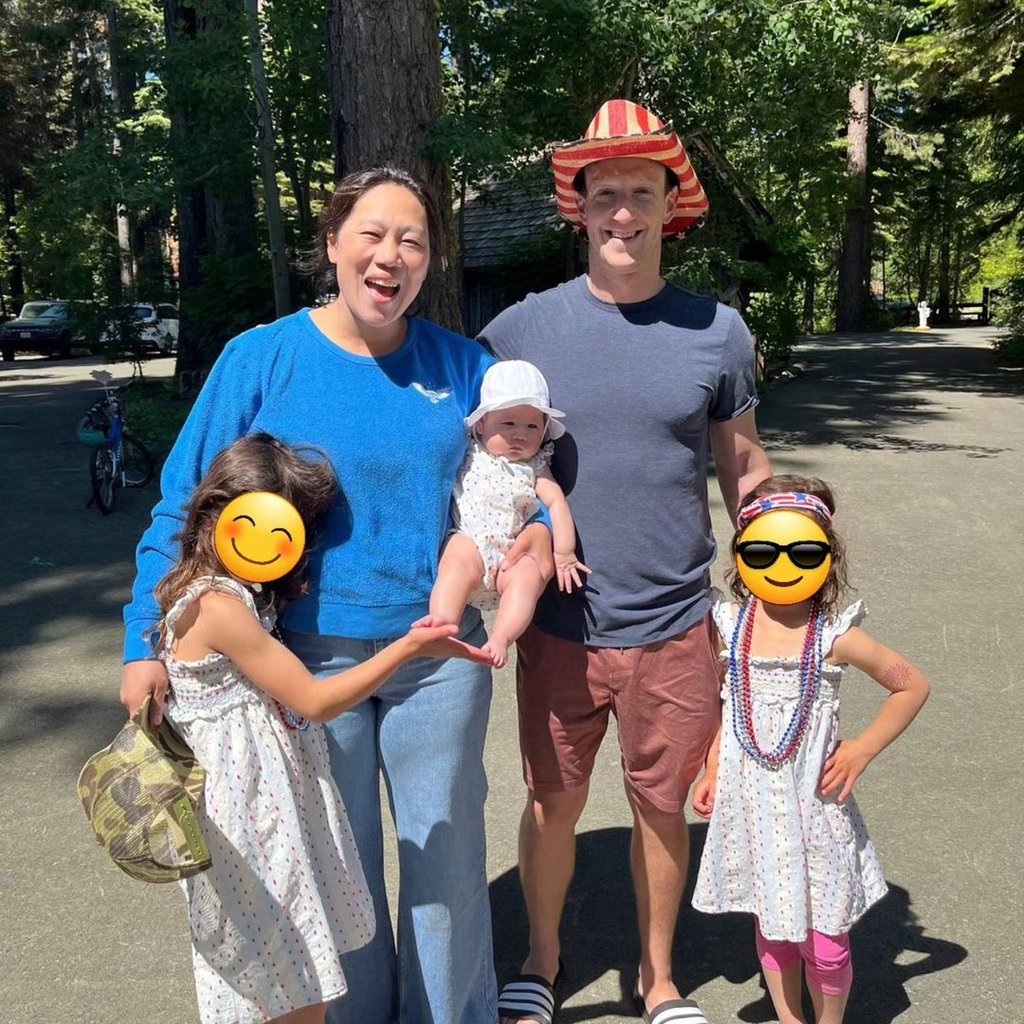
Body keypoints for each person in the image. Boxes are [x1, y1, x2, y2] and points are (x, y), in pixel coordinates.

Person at [120, 166, 553, 1024]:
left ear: (430, 262)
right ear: (332, 244)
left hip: (441, 655)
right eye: (373, 234)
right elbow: (183, 500)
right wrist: (143, 642)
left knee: (448, 862)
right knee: (337, 863)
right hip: (302, 660)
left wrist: (538, 536)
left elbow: (520, 477)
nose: (391, 257)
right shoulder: (262, 357)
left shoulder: (465, 367)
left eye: (413, 241)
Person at [480, 99, 772, 1024]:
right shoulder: (520, 330)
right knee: (552, 803)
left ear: (668, 205)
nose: (622, 214)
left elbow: (745, 469)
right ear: (581, 206)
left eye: (640, 194)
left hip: (676, 623)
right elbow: (469, 449)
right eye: (604, 194)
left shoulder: (718, 332)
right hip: (561, 625)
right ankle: (542, 956)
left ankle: (660, 979)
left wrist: (783, 578)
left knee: (662, 808)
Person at [153, 432, 482, 1024]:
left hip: (258, 805)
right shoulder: (220, 608)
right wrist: (412, 646)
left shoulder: (219, 590)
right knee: (291, 976)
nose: (277, 546)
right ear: (216, 515)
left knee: (287, 965)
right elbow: (316, 699)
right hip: (245, 818)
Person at [691, 476, 930, 1024]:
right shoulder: (729, 625)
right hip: (751, 806)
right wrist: (710, 769)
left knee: (826, 941)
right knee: (773, 931)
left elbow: (911, 684)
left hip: (816, 809)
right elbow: (729, 708)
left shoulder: (835, 636)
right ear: (740, 555)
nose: (782, 565)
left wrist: (862, 750)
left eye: (802, 552)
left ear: (826, 555)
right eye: (761, 551)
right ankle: (788, 1016)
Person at [430, 359, 589, 667]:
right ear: (481, 424)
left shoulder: (536, 466)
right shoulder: (469, 452)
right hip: (470, 541)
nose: (520, 435)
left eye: (532, 426)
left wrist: (565, 553)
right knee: (456, 560)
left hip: (511, 555)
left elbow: (556, 502)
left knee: (528, 577)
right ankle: (442, 625)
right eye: (508, 424)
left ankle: (501, 638)